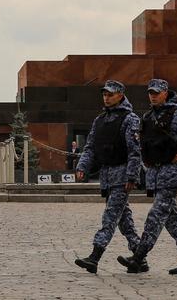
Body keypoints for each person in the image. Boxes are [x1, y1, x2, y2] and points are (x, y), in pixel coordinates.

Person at [116, 79, 177, 276]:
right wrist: (146, 160)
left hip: (172, 172)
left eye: (157, 92)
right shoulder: (148, 116)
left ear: (166, 93)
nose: (153, 95)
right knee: (171, 219)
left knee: (156, 215)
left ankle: (139, 257)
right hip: (155, 174)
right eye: (150, 92)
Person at [74, 80, 144, 274]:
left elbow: (134, 151)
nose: (106, 97)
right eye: (104, 94)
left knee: (110, 217)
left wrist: (132, 176)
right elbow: (90, 147)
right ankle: (139, 257)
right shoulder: (100, 120)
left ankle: (94, 257)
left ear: (120, 95)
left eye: (110, 94)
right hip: (107, 176)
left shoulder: (130, 119)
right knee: (124, 219)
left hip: (122, 177)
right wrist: (82, 167)